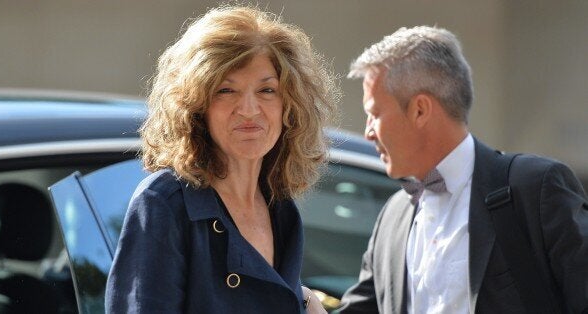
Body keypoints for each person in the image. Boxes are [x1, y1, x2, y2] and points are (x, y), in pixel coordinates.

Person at [337, 26, 588, 313]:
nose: (368, 132)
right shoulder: (392, 217)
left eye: (374, 114)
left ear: (420, 109)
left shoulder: (534, 189)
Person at [105, 6, 337, 314]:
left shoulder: (280, 207)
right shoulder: (164, 204)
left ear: (290, 105)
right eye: (226, 90)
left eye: (267, 90)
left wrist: (305, 302)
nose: (249, 109)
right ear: (196, 106)